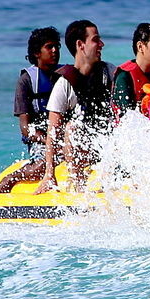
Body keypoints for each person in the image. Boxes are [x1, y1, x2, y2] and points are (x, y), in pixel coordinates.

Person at [33, 19, 120, 192]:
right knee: (72, 127)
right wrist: (50, 174)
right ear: (80, 45)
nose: (101, 44)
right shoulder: (64, 84)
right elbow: (53, 131)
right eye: (95, 40)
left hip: (108, 146)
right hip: (81, 151)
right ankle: (78, 187)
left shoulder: (109, 72)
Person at [0, 27, 63, 194]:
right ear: (37, 53)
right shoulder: (26, 81)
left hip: (63, 135)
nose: (55, 51)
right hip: (40, 140)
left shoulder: (65, 75)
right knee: (43, 164)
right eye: (49, 47)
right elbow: (25, 128)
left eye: (57, 47)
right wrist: (48, 142)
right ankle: (12, 178)